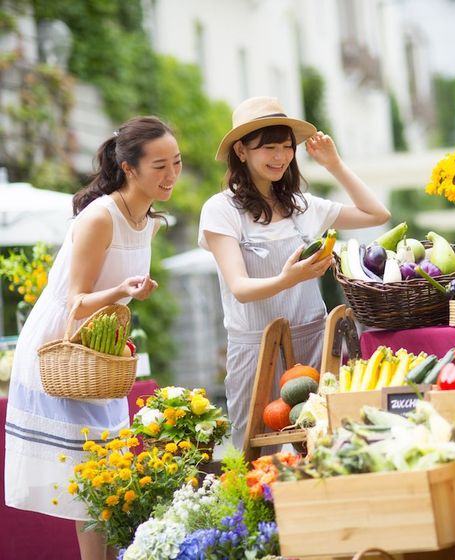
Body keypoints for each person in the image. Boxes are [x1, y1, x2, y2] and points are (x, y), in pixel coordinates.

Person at [4, 116, 181, 559]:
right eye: (160, 166)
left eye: (176, 163)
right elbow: (75, 301)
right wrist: (123, 292)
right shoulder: (100, 217)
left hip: (100, 355)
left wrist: (123, 299)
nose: (172, 175)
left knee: (107, 481)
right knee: (92, 484)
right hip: (63, 352)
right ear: (128, 168)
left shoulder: (149, 222)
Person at [199, 96, 390, 449]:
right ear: (241, 151)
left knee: (324, 442)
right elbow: (240, 288)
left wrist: (334, 165)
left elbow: (377, 214)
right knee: (256, 448)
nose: (280, 156)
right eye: (268, 147)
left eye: (286, 147)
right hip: (255, 347)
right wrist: (290, 278)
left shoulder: (302, 205)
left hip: (315, 341)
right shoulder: (221, 209)